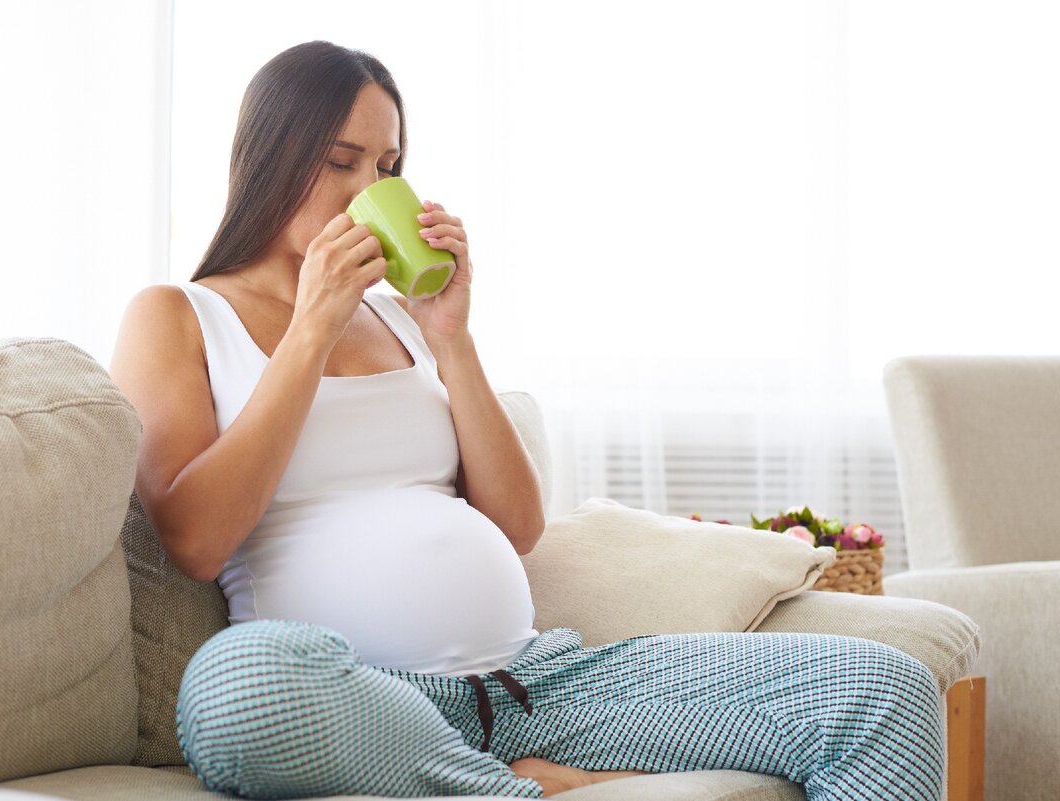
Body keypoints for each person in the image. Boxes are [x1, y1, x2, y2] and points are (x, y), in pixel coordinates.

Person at [108, 40, 945, 801]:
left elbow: (515, 523)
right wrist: (309, 331)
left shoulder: (403, 321)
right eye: (342, 161)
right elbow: (194, 538)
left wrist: (452, 336)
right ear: (270, 158)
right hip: (364, 705)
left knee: (884, 687)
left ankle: (509, 777)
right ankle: (520, 791)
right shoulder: (179, 316)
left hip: (536, 682)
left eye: (389, 166)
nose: (373, 191)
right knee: (232, 690)